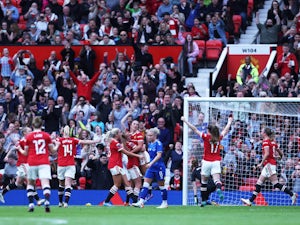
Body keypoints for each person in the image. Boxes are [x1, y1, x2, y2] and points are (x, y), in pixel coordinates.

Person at [181, 115, 233, 206]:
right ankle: (218, 188)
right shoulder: (219, 137)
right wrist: (229, 121)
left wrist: (185, 121)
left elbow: (194, 129)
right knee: (217, 180)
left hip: (206, 162)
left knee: (204, 182)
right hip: (216, 161)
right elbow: (226, 129)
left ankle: (204, 201)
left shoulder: (206, 137)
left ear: (209, 131)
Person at [241, 127, 298, 206]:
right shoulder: (273, 142)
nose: (260, 132)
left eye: (261, 131)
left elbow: (267, 154)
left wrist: (261, 163)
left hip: (269, 165)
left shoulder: (266, 142)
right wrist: (277, 158)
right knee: (259, 183)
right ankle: (250, 201)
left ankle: (292, 194)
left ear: (264, 133)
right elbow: (281, 154)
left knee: (276, 184)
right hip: (269, 165)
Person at [54, 125, 99, 208]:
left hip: (61, 164)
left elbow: (52, 143)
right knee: (68, 184)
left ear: (63, 132)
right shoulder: (73, 140)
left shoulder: (59, 140)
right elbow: (84, 142)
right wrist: (95, 141)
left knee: (61, 184)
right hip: (70, 164)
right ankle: (66, 202)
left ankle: (60, 202)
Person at [0, 127, 44, 206]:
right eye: (29, 131)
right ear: (24, 133)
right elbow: (13, 148)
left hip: (28, 164)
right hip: (22, 164)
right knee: (30, 181)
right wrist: (7, 156)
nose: (31, 132)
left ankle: (2, 192)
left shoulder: (29, 141)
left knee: (17, 183)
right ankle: (36, 201)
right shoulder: (22, 141)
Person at [23, 117, 55, 212]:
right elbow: (52, 151)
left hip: (32, 162)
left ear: (32, 125)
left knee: (30, 184)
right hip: (44, 162)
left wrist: (19, 149)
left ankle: (31, 204)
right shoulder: (46, 136)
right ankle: (47, 202)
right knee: (45, 183)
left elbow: (25, 153)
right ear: (42, 125)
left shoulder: (29, 137)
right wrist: (57, 146)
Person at [103, 128, 142, 206]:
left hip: (116, 165)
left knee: (124, 184)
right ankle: (135, 201)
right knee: (120, 184)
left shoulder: (112, 142)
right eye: (120, 132)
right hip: (115, 165)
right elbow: (126, 153)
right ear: (117, 134)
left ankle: (134, 201)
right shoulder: (115, 143)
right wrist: (137, 155)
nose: (121, 133)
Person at [132, 127, 168, 209]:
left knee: (161, 186)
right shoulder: (150, 144)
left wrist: (150, 163)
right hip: (151, 167)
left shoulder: (158, 144)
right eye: (147, 135)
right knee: (145, 184)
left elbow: (159, 156)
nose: (148, 137)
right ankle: (141, 202)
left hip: (159, 167)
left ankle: (165, 203)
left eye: (150, 135)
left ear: (155, 135)